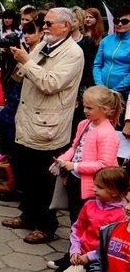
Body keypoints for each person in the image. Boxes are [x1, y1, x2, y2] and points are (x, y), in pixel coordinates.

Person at [2, 8, 85, 244]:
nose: (45, 26)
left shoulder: (73, 53)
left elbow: (51, 83)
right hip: (28, 120)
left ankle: (47, 226)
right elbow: (24, 75)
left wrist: (27, 61)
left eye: (49, 23)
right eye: (44, 22)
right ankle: (28, 215)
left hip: (48, 125)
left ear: (66, 26)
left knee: (44, 178)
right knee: (25, 171)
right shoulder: (44, 45)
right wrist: (15, 59)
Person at [48, 166, 128, 272]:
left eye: (99, 187)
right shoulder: (89, 204)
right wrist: (74, 250)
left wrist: (90, 256)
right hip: (80, 253)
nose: (94, 189)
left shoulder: (122, 215)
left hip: (100, 260)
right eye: (95, 185)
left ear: (115, 192)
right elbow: (77, 229)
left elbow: (113, 246)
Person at [52, 85, 121, 224]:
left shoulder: (107, 134)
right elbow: (75, 147)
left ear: (105, 109)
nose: (84, 111)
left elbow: (105, 164)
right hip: (75, 179)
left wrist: (75, 166)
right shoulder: (84, 124)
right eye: (84, 106)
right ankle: (75, 244)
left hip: (92, 186)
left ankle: (83, 245)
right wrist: (62, 159)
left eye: (89, 108)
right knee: (75, 217)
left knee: (85, 221)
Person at [93, 5, 130, 93]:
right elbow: (97, 65)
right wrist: (99, 85)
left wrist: (115, 90)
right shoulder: (106, 40)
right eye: (116, 21)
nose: (120, 24)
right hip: (103, 90)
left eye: (124, 21)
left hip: (124, 93)